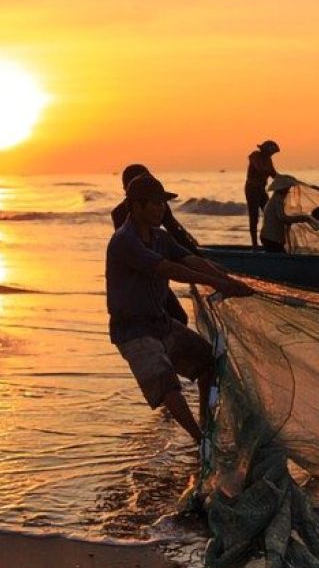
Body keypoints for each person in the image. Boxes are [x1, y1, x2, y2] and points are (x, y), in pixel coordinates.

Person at [106, 172, 253, 444]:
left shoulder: (160, 237)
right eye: (156, 203)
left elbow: (188, 259)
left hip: (160, 322)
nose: (162, 209)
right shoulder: (124, 241)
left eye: (164, 203)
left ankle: (206, 427)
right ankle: (200, 440)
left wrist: (226, 279)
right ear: (137, 207)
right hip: (133, 331)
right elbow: (170, 269)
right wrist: (215, 283)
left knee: (209, 362)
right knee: (167, 385)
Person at [111, 164, 200, 326]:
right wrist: (194, 258)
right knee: (173, 317)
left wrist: (194, 255)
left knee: (177, 318)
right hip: (140, 277)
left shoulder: (156, 204)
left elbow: (174, 231)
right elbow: (136, 252)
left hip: (156, 272)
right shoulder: (121, 217)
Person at [259, 174, 311, 252]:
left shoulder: (276, 198)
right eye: (287, 187)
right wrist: (300, 218)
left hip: (269, 237)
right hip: (271, 238)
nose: (289, 190)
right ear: (282, 188)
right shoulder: (278, 199)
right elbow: (282, 217)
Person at [245, 140, 279, 249]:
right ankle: (254, 244)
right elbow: (260, 168)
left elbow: (274, 174)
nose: (272, 155)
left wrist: (287, 180)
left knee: (269, 213)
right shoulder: (255, 156)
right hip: (252, 189)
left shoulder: (268, 160)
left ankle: (269, 240)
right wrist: (269, 171)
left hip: (262, 190)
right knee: (254, 216)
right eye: (271, 152)